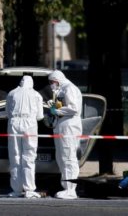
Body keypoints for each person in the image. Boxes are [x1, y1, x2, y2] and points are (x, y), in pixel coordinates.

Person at [6, 75, 44, 198]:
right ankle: (29, 190)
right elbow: (40, 116)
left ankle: (16, 190)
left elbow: (7, 112)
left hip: (14, 123)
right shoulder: (37, 95)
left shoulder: (11, 93)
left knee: (15, 156)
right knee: (29, 156)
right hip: (30, 124)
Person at [47, 70, 82, 199]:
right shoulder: (61, 89)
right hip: (61, 126)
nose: (51, 84)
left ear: (57, 79)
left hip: (69, 126)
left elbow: (74, 108)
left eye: (52, 82)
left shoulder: (70, 88)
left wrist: (57, 110)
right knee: (62, 158)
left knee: (68, 157)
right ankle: (66, 187)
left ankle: (71, 190)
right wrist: (55, 106)